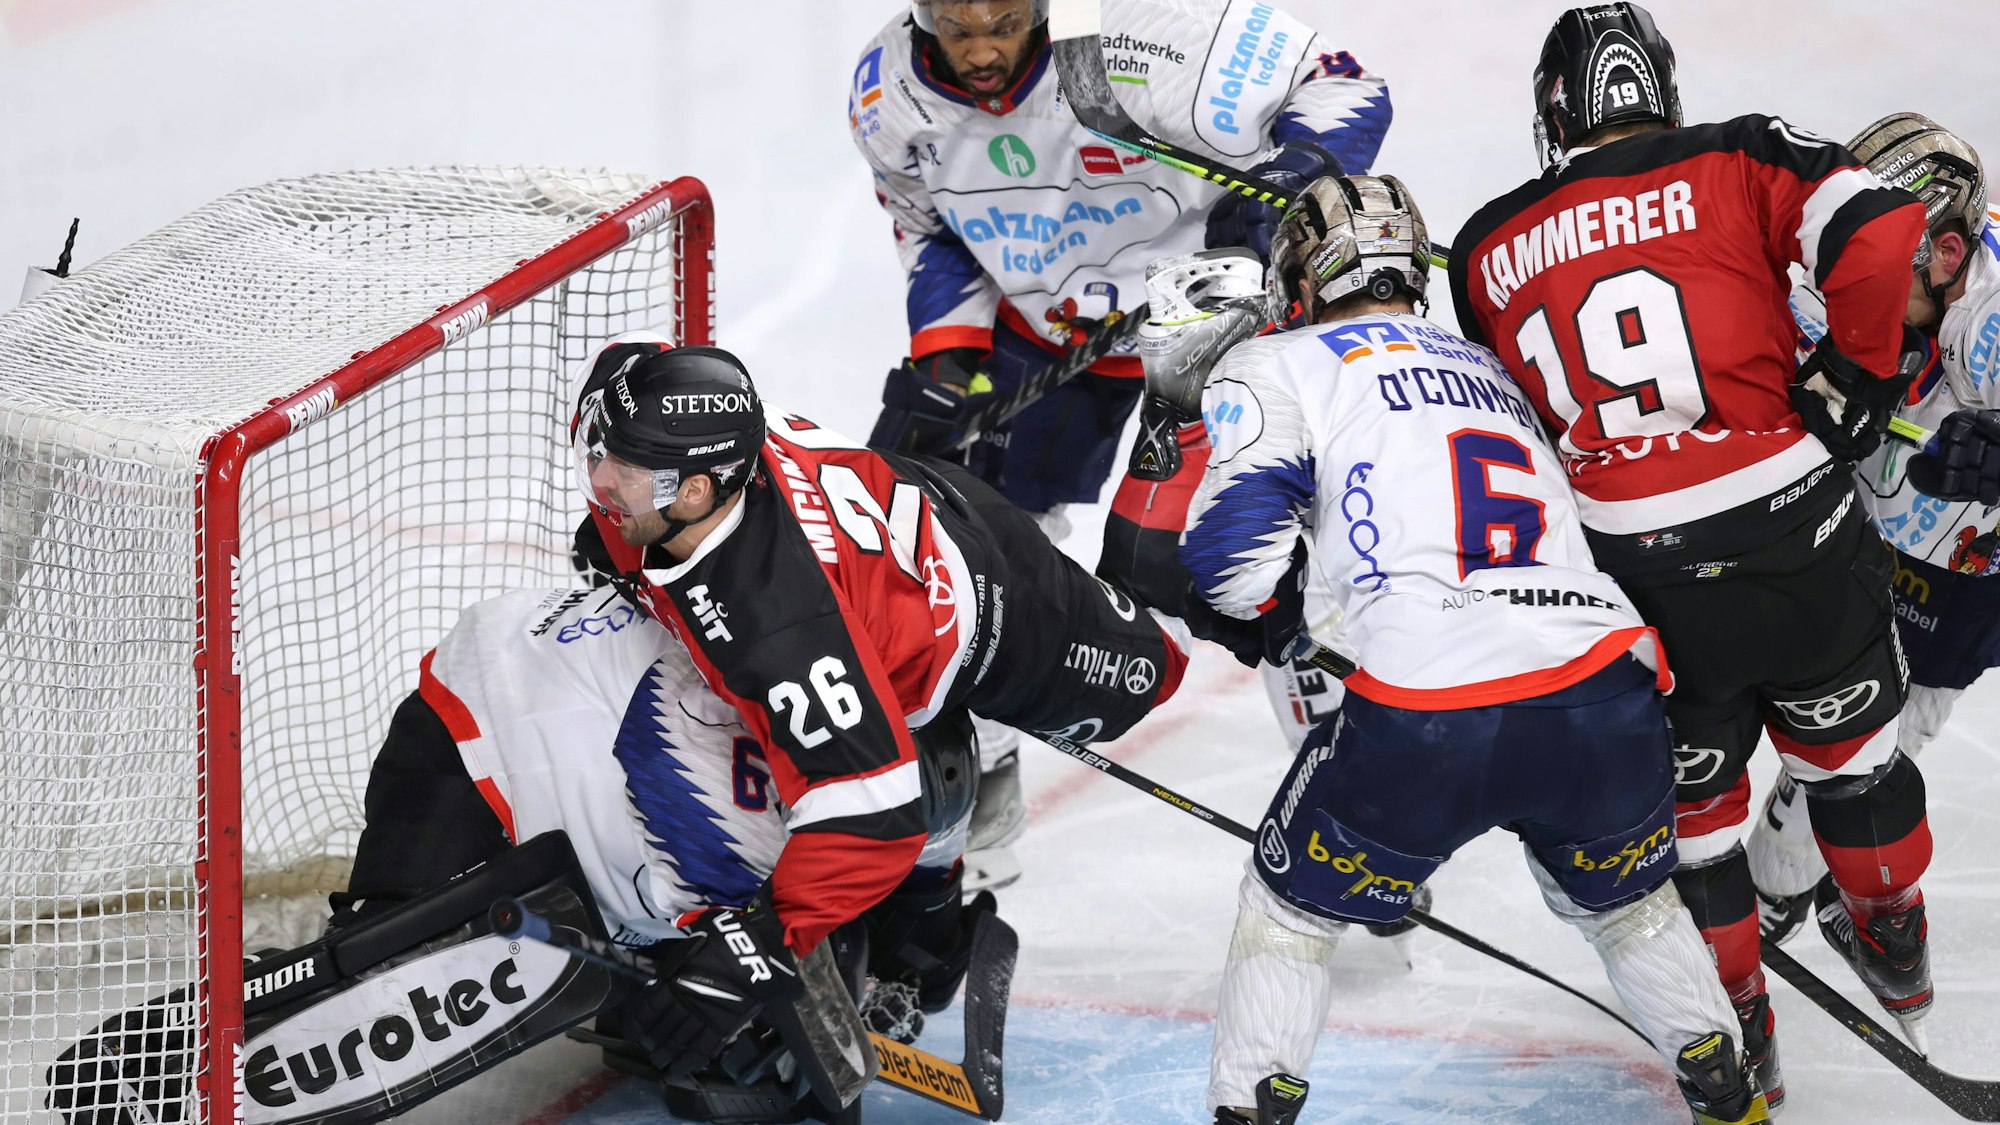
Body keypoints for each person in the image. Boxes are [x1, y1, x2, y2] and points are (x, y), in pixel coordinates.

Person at [1180, 174, 1766, 1125]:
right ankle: (1726, 1083)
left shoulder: (1279, 360)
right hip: (1603, 692)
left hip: (1430, 711)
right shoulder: (1500, 372)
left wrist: (1267, 614)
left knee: (1292, 905)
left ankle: (1248, 1111)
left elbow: (1229, 560)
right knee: (1630, 905)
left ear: (1309, 274)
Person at [1446, 1, 1936, 1099]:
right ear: (1658, 88)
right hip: (1794, 533)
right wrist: (1857, 378)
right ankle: (1890, 935)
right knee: (1849, 765)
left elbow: (1505, 411)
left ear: (1553, 112)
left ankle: (1738, 1025)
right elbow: (1880, 226)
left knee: (1697, 829)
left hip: (1637, 572)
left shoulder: (1481, 245)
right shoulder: (1737, 154)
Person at [569, 328, 1191, 1077]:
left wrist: (750, 956)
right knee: (830, 738)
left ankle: (1181, 407)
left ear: (697, 488)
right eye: (602, 456)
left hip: (1013, 610)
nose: (602, 482)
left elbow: (875, 812)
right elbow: (632, 364)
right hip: (901, 526)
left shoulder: (779, 619)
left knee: (1157, 665)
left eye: (624, 474)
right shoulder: (688, 450)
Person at [850, 0, 1391, 850]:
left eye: (1003, 21)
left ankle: (1352, 804)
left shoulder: (1133, 31)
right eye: (957, 28)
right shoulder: (887, 96)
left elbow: (1344, 86)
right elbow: (931, 227)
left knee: (1253, 567)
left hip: (1212, 314)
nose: (983, 49)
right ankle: (974, 788)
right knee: (958, 552)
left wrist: (1300, 171)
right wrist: (948, 354)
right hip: (1045, 329)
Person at [1751, 116, 2000, 946]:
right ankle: (1790, 874)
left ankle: (1781, 884)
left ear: (1950, 255)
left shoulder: (1990, 322)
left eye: (1883, 262)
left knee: (1884, 733)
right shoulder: (1878, 267)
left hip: (1959, 569)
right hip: (1868, 519)